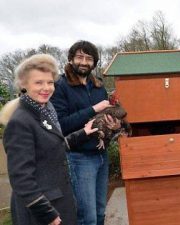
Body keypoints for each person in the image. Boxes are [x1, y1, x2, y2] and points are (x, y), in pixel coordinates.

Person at [1, 54, 98, 225]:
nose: (46, 88)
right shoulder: (20, 122)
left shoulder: (45, 111)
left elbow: (53, 148)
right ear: (24, 84)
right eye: (38, 82)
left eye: (50, 82)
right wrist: (48, 214)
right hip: (41, 213)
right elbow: (21, 178)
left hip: (59, 202)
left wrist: (83, 133)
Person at [50, 40, 120, 225]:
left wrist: (113, 127)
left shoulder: (98, 86)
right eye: (79, 57)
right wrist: (93, 109)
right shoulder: (60, 86)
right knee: (85, 216)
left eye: (89, 58)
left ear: (94, 63)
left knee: (99, 212)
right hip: (79, 158)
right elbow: (62, 125)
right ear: (71, 59)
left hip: (101, 155)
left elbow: (105, 118)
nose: (84, 62)